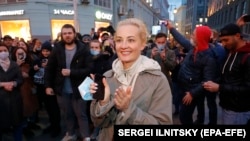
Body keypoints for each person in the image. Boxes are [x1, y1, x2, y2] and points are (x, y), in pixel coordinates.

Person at [90, 18, 173, 141]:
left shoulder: (158, 80)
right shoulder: (107, 76)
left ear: (142, 44)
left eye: (131, 40)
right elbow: (97, 123)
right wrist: (103, 103)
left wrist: (129, 109)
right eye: (119, 40)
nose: (123, 46)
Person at [44, 24, 94, 141]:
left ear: (74, 34)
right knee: (67, 114)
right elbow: (50, 68)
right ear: (62, 35)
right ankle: (71, 134)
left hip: (79, 89)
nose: (67, 36)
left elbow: (89, 69)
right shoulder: (57, 48)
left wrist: (72, 72)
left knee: (81, 115)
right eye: (65, 33)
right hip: (62, 89)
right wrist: (48, 86)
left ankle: (85, 136)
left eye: (69, 33)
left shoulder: (83, 49)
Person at [166, 20, 218, 124]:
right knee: (184, 115)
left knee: (184, 117)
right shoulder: (194, 48)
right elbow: (181, 39)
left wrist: (192, 94)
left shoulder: (209, 57)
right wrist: (171, 28)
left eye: (193, 35)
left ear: (199, 38)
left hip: (191, 92)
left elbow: (207, 81)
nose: (191, 36)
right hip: (184, 88)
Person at [203, 23, 250, 125]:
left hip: (238, 110)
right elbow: (228, 76)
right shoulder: (231, 52)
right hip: (228, 106)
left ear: (238, 36)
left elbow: (248, 88)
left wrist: (219, 87)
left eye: (226, 40)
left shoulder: (247, 56)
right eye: (222, 41)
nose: (223, 44)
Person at [32, 41, 61, 137]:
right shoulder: (38, 59)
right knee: (48, 109)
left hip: (52, 87)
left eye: (48, 51)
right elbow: (31, 72)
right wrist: (36, 67)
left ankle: (57, 128)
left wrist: (49, 66)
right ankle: (52, 125)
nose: (45, 53)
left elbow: (58, 72)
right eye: (44, 51)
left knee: (54, 109)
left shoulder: (55, 59)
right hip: (41, 88)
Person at [0, 43, 23, 141]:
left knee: (17, 123)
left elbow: (20, 79)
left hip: (14, 98)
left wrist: (13, 84)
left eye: (4, 50)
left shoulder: (14, 64)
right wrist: (4, 84)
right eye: (0, 51)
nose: (3, 53)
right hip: (1, 99)